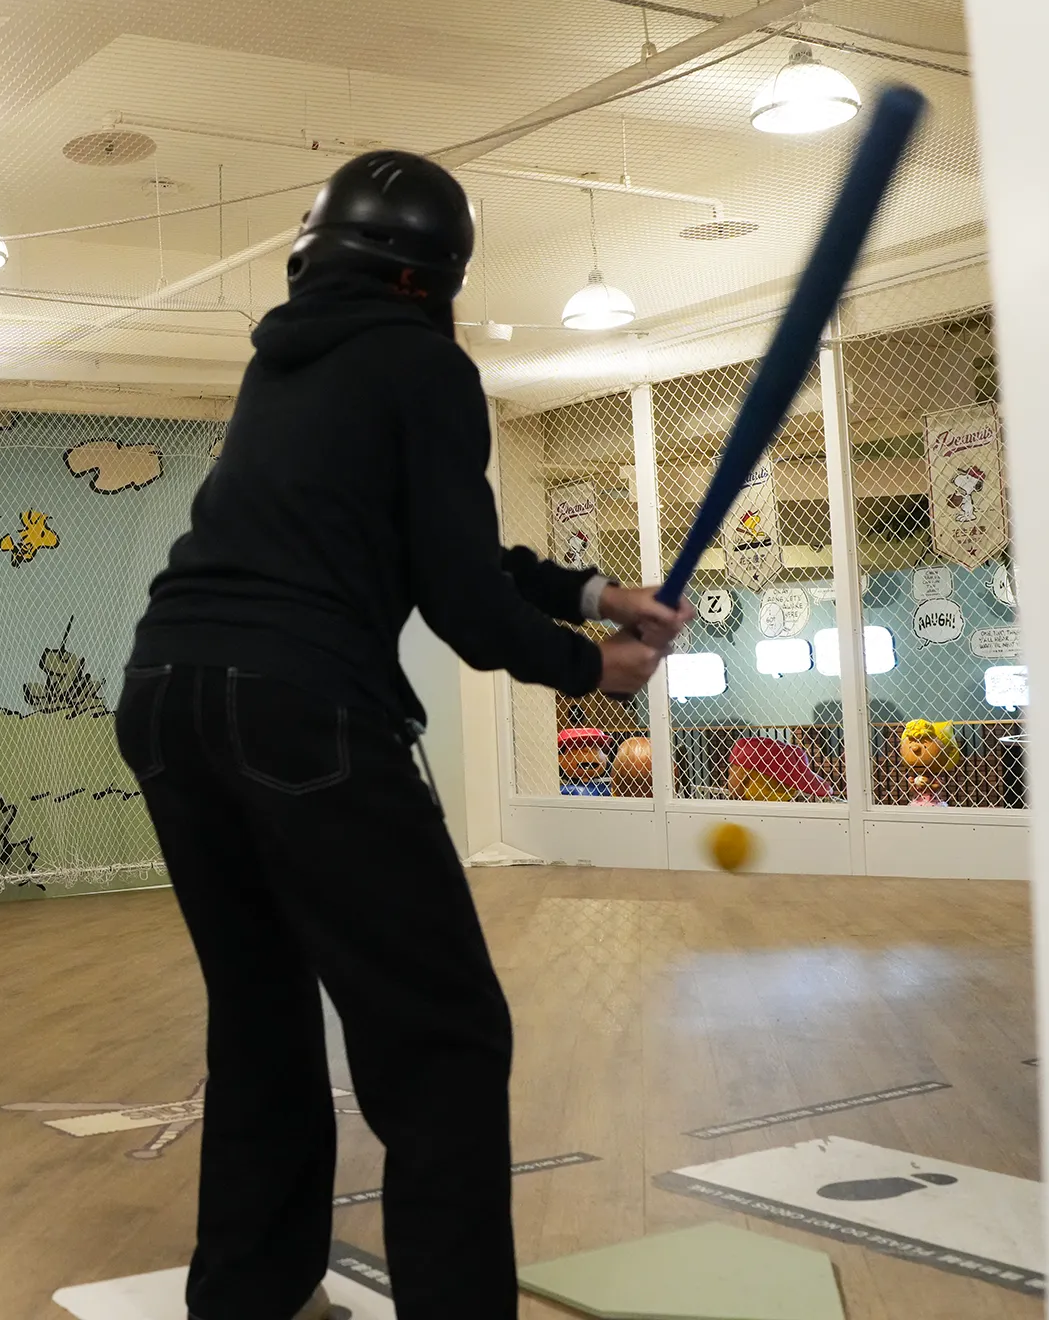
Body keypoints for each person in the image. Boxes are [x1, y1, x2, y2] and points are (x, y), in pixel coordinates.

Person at [116, 151, 691, 1320]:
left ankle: (248, 1299)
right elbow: (463, 600)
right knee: (445, 1041)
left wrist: (593, 594)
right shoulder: (427, 366)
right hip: (299, 710)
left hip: (167, 696)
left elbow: (442, 546)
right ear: (434, 279)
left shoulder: (283, 367)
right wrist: (592, 668)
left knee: (262, 1014)